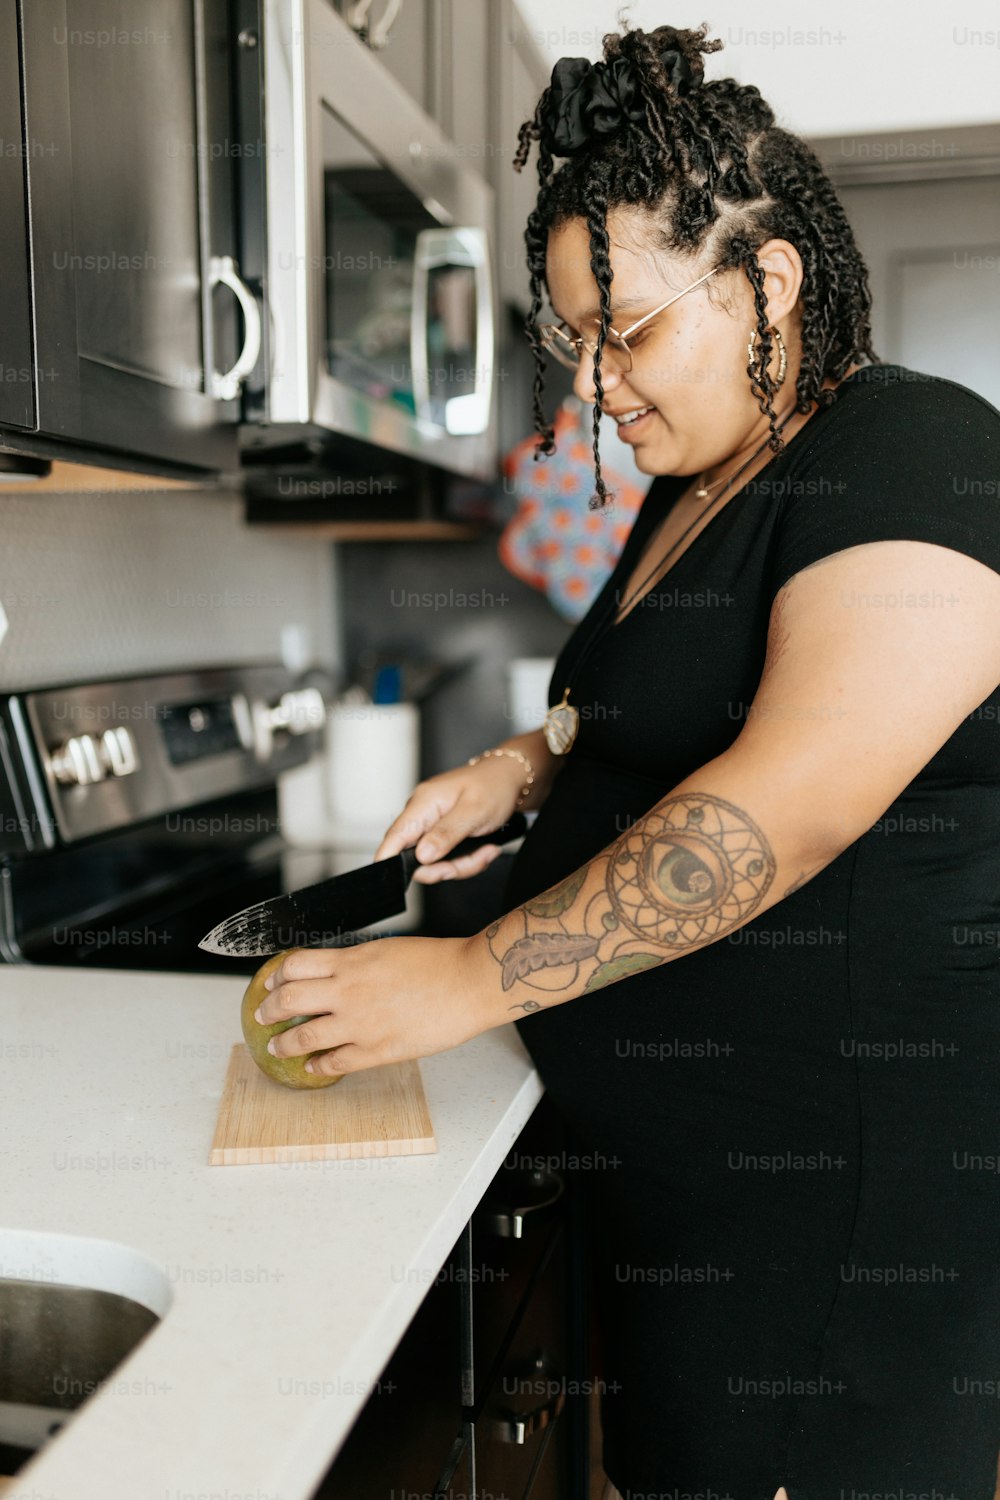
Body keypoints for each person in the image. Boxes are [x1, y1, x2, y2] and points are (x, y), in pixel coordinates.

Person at [251, 22, 1000, 1500]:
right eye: (574, 341)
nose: (595, 386)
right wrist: (526, 767)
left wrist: (467, 980)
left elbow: (786, 806)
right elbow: (651, 712)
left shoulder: (924, 459)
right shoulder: (700, 485)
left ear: (767, 281)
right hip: (682, 1192)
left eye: (632, 331)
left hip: (835, 1209)